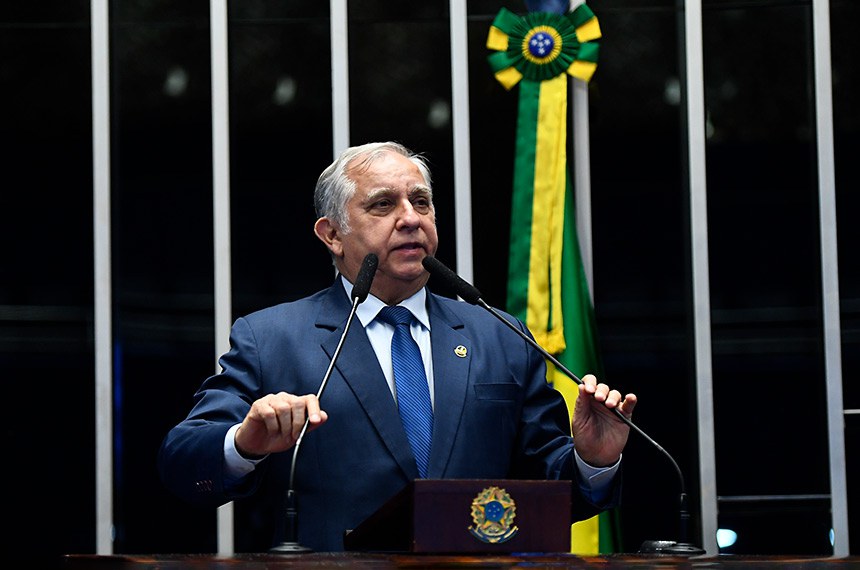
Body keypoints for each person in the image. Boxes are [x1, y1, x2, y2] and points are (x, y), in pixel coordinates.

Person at [158, 141, 637, 553]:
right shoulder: (273, 338)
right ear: (331, 235)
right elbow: (182, 461)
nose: (410, 218)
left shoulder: (499, 334)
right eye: (383, 205)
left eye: (421, 202)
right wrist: (244, 443)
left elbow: (547, 492)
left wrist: (593, 460)